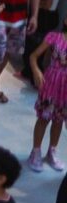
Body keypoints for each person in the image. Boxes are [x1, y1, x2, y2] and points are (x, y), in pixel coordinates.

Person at [30, 12, 67, 172]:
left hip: (65, 88)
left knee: (58, 120)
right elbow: (33, 56)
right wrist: (36, 71)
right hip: (51, 82)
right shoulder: (54, 37)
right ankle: (35, 151)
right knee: (44, 118)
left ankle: (52, 151)